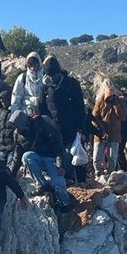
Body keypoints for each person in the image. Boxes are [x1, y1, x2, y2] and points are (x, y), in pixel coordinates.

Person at [8, 111, 71, 209]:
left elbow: (57, 143)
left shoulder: (42, 123)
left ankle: (65, 204)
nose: (17, 128)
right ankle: (44, 186)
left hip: (52, 158)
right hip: (38, 159)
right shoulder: (18, 135)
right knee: (26, 156)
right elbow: (17, 157)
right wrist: (11, 176)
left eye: (17, 126)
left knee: (57, 185)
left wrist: (60, 165)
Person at [41, 55, 88, 183]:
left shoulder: (71, 84)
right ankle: (67, 182)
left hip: (72, 127)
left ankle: (82, 183)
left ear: (59, 72)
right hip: (54, 129)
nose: (53, 78)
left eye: (54, 74)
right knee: (60, 156)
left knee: (76, 155)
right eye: (50, 75)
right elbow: (42, 108)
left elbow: (79, 107)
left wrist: (81, 128)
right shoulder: (45, 87)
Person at [89, 81, 127, 178]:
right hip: (100, 134)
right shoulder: (100, 102)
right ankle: (98, 174)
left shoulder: (119, 101)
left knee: (112, 158)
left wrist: (116, 105)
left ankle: (111, 176)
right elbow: (94, 117)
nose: (110, 97)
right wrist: (100, 129)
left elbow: (123, 117)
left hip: (114, 134)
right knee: (96, 158)